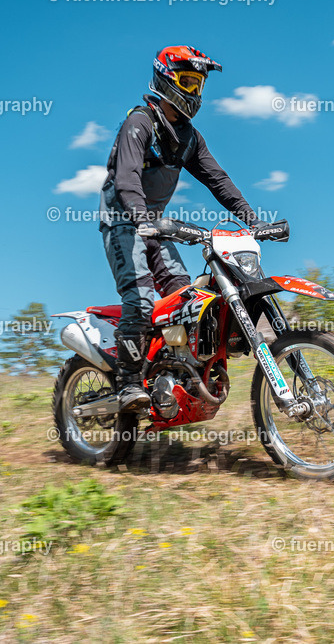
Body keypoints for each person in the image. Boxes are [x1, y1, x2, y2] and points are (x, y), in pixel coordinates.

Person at [98, 45, 270, 411]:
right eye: (189, 81)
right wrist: (142, 220)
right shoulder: (140, 123)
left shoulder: (189, 137)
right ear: (167, 78)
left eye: (199, 84)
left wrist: (251, 217)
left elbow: (217, 178)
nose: (195, 92)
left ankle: (174, 372)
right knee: (143, 300)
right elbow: (127, 179)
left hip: (154, 225)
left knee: (189, 301)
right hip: (124, 222)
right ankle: (128, 382)